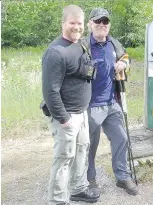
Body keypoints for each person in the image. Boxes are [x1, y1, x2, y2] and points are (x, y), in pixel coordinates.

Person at [42, 5, 100, 205]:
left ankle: (78, 189)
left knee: (82, 151)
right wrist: (64, 119)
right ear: (63, 23)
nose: (76, 27)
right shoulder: (56, 52)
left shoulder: (81, 44)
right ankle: (57, 200)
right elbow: (50, 91)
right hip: (66, 116)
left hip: (81, 113)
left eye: (79, 23)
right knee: (64, 159)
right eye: (72, 23)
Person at [83, 8, 139, 196]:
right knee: (90, 144)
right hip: (89, 105)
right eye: (97, 21)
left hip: (112, 102)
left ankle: (122, 176)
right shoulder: (82, 46)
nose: (101, 25)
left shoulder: (114, 43)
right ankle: (89, 179)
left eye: (105, 22)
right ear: (90, 24)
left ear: (109, 25)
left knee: (121, 138)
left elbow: (125, 57)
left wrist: (124, 64)